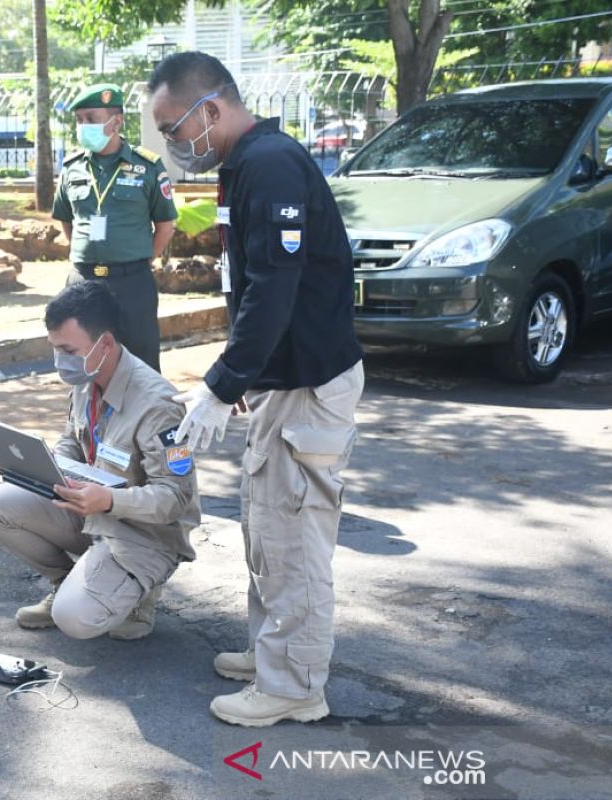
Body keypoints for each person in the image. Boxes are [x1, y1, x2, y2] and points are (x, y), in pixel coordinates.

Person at [148, 52, 365, 727]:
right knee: (267, 524)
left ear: (211, 110)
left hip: (309, 384)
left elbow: (275, 288)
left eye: (173, 128)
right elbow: (254, 289)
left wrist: (221, 383)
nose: (172, 145)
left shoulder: (268, 165)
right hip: (283, 379)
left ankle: (296, 683)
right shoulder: (245, 166)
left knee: (294, 533)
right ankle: (274, 652)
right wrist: (245, 377)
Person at [0, 281, 199, 641]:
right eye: (55, 349)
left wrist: (109, 500)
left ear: (105, 343)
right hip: (89, 509)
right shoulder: (87, 377)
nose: (61, 361)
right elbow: (73, 439)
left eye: (67, 350)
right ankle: (66, 582)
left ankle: (141, 593)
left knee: (75, 620)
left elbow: (175, 499)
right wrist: (55, 467)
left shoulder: (159, 404)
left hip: (143, 533)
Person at [52, 83, 178, 372]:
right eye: (79, 120)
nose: (83, 126)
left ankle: (146, 418)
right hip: (83, 282)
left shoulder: (147, 166)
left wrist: (140, 260)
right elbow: (66, 219)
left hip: (131, 282)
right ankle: (89, 418)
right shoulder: (72, 167)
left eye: (91, 119)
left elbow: (165, 226)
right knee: (82, 363)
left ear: (116, 121)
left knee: (141, 364)